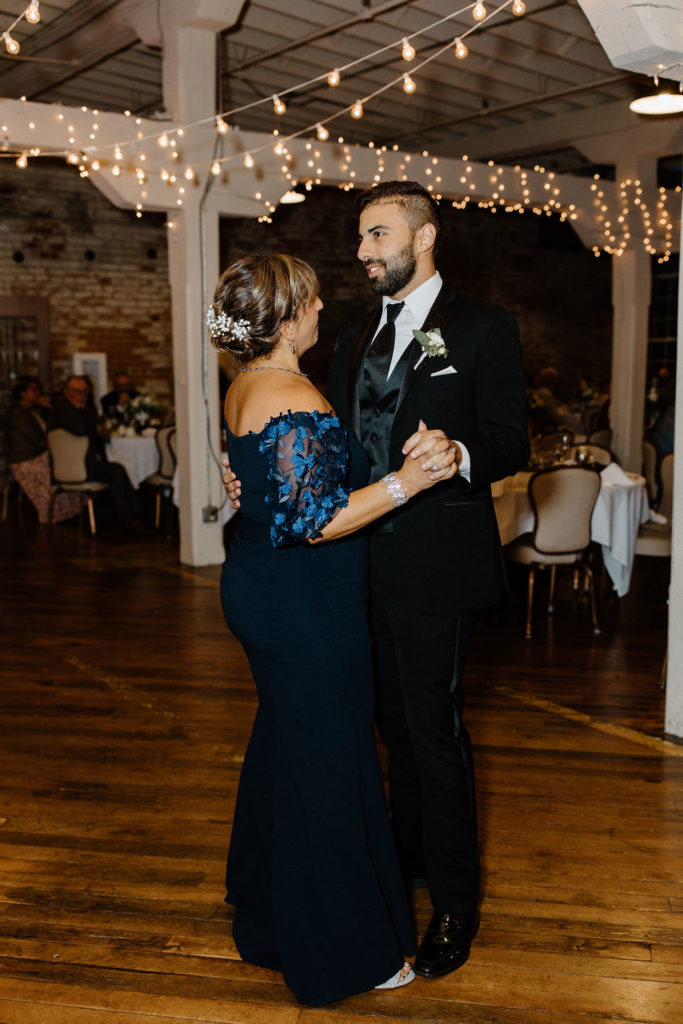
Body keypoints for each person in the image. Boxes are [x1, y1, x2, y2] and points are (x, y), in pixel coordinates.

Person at [224, 181, 529, 980]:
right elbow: (316, 450)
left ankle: (454, 903)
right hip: (343, 572)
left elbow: (507, 440)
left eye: (376, 235)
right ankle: (391, 872)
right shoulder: (352, 333)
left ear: (422, 237)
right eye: (360, 239)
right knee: (375, 733)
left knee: (432, 734)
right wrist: (252, 480)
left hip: (431, 568)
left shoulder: (485, 328)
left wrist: (455, 458)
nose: (362, 253)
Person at [208, 252, 457, 1005]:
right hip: (303, 606)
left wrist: (254, 489)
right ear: (285, 320)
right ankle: (346, 954)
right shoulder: (291, 393)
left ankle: (274, 922)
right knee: (331, 768)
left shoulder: (246, 383)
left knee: (290, 752)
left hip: (265, 587)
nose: (321, 310)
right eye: (312, 302)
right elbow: (316, 522)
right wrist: (406, 481)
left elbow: (275, 490)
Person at [48, 375, 143, 530]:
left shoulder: (84, 409)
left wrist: (99, 428)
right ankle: (131, 519)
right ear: (67, 392)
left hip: (86, 463)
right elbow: (80, 428)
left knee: (119, 466)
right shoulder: (61, 408)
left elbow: (95, 425)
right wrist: (98, 428)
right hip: (75, 467)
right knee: (116, 470)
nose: (81, 395)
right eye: (76, 391)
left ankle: (122, 516)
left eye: (84, 392)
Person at [5, 376, 80, 524]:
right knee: (57, 467)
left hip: (37, 455)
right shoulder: (17, 414)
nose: (37, 393)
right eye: (33, 389)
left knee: (66, 463)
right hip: (26, 460)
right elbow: (37, 440)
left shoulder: (32, 412)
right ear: (22, 393)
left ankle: (70, 510)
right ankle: (54, 513)